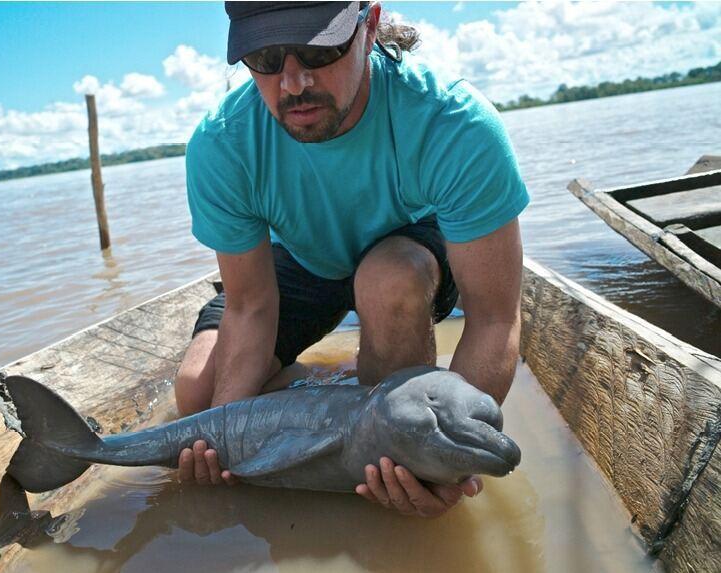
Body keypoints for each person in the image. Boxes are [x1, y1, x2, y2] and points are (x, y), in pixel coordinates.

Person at [174, 1, 529, 518]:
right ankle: (339, 381)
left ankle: (384, 400)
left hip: (406, 248)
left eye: (319, 50)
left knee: (388, 281)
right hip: (306, 257)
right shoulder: (222, 144)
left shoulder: (453, 123)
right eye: (266, 58)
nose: (293, 83)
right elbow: (250, 305)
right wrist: (228, 435)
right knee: (196, 398)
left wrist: (442, 460)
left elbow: (495, 317)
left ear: (370, 25)